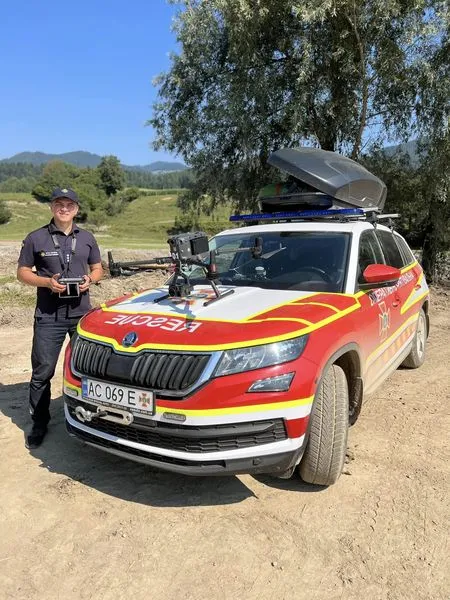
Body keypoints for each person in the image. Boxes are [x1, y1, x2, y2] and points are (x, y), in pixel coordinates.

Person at [17, 187, 104, 449]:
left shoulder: (87, 237)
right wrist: (46, 282)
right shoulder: (36, 238)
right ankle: (40, 422)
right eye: (59, 204)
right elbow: (22, 272)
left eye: (69, 205)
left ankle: (89, 419)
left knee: (86, 370)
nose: (64, 209)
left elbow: (98, 269)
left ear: (76, 209)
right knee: (43, 370)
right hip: (48, 316)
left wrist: (90, 279)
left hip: (81, 315)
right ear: (52, 207)